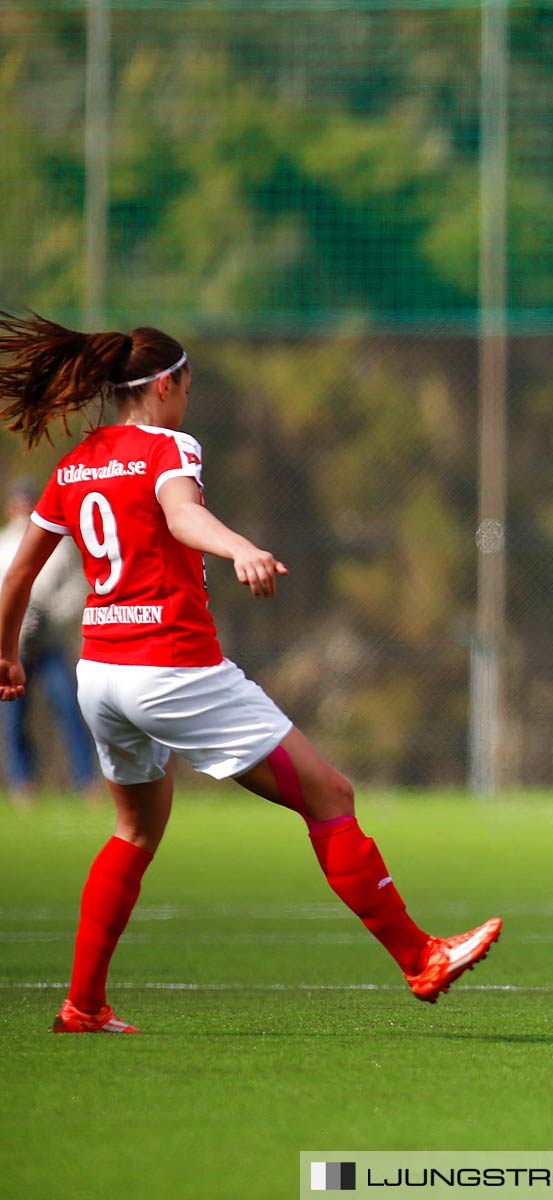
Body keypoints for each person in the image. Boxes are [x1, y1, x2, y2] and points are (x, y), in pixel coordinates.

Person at [0, 313, 503, 1034]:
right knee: (330, 794)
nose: (187, 399)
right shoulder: (170, 446)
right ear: (167, 385)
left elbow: (20, 569)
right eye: (187, 386)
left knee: (134, 832)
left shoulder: (78, 463)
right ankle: (421, 956)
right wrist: (238, 547)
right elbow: (179, 514)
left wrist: (6, 650)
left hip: (101, 675)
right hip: (172, 667)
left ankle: (83, 1004)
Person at [0, 478, 99, 802]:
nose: (23, 509)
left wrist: (50, 615)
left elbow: (76, 588)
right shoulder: (3, 545)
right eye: (19, 503)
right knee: (14, 718)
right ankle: (22, 784)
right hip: (15, 644)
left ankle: (87, 782)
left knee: (68, 708)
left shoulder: (59, 543)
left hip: (50, 642)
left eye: (28, 503)